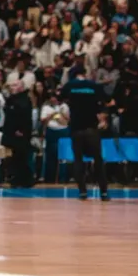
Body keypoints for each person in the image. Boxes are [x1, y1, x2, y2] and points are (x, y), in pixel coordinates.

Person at [61, 64, 109, 201]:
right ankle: (104, 193)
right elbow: (107, 101)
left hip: (76, 128)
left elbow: (61, 98)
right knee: (98, 160)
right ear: (84, 73)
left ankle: (82, 192)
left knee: (78, 160)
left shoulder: (69, 86)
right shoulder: (94, 86)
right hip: (92, 129)